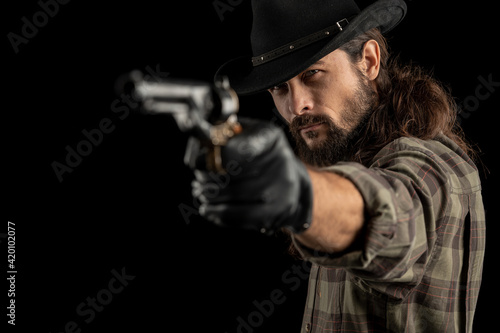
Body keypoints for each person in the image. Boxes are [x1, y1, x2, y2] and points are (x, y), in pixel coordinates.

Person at [189, 0, 485, 332]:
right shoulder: (343, 159)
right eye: (279, 88)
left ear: (369, 61)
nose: (296, 106)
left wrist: (300, 195)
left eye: (312, 74)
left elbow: (394, 216)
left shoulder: (435, 166)